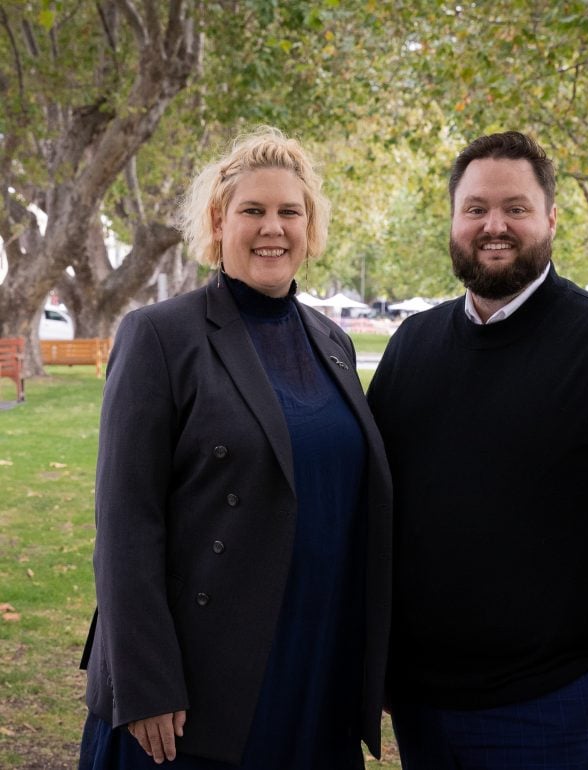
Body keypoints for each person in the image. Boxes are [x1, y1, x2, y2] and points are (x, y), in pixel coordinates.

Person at [367, 131, 588, 770]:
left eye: (515, 208)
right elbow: (380, 506)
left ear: (549, 219)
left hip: (551, 709)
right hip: (422, 705)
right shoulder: (413, 345)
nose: (494, 226)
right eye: (476, 209)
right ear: (454, 220)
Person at [78, 126, 392, 769]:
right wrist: (146, 684)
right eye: (253, 210)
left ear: (310, 227)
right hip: (196, 683)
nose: (272, 227)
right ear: (219, 223)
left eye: (289, 212)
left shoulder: (331, 340)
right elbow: (126, 523)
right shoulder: (160, 336)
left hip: (316, 664)